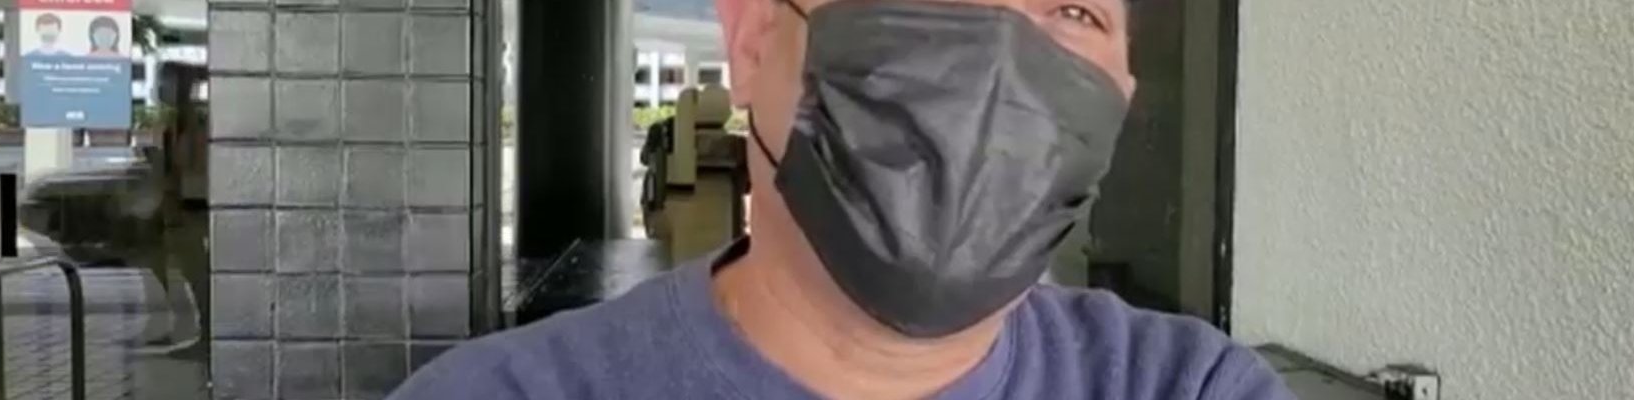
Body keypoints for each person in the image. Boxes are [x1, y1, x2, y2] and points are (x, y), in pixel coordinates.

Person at [390, 0, 1296, 399]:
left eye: (1073, 13)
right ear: (753, 38)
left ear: (1121, 97)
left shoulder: (1185, 388)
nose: (994, 65)